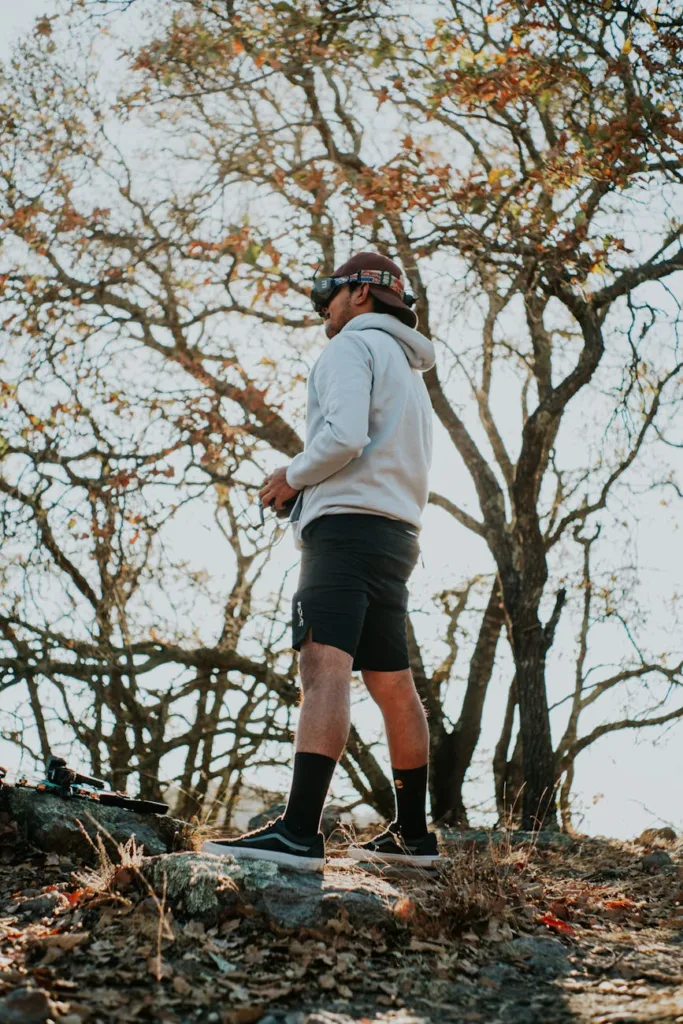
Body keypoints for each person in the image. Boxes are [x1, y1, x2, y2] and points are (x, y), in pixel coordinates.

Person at [202, 253, 440, 872]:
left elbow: (342, 438)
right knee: (391, 681)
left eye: (328, 293)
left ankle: (299, 833)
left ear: (361, 293)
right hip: (397, 538)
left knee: (322, 666)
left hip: (344, 535)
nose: (322, 307)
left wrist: (291, 477)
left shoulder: (349, 348)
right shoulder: (409, 371)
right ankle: (413, 835)